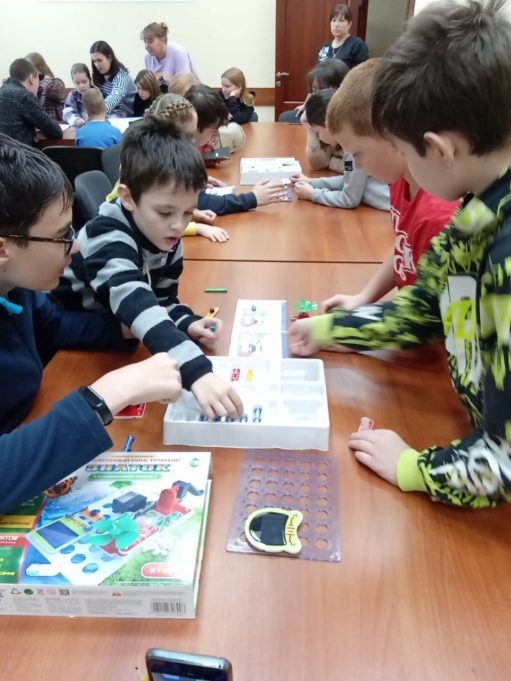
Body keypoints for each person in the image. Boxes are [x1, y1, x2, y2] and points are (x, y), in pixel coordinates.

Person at [288, 0, 511, 509]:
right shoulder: (482, 208)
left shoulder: (503, 251)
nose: (404, 166)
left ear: (440, 148)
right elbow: (427, 306)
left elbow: (502, 463)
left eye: (406, 152)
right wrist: (329, 330)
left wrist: (412, 467)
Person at [0, 134, 183, 514]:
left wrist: (126, 329)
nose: (77, 246)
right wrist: (105, 396)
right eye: (61, 237)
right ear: (4, 248)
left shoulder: (13, 286)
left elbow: (53, 326)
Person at [54, 116, 243, 421]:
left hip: (118, 335)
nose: (178, 225)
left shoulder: (166, 235)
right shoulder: (107, 233)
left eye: (188, 212)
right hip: (68, 341)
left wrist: (186, 322)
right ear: (128, 198)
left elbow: (162, 301)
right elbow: (135, 301)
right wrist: (197, 371)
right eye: (165, 212)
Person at [318, 59, 459, 311]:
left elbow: (429, 315)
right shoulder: (399, 181)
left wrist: (349, 326)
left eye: (357, 154)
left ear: (393, 138)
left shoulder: (437, 215)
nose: (356, 165)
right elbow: (403, 248)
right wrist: (364, 297)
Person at [105, 93, 229, 243]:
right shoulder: (150, 166)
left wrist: (192, 213)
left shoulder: (156, 158)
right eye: (188, 135)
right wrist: (196, 228)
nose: (193, 141)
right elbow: (150, 222)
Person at [185, 85, 285, 215]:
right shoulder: (177, 152)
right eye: (214, 130)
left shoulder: (184, 144)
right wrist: (252, 198)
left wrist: (197, 181)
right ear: (195, 125)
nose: (216, 135)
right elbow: (199, 201)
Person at [291, 87, 389, 211]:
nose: (319, 137)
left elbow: (349, 199)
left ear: (328, 126)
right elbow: (349, 180)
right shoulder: (355, 139)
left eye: (318, 132)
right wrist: (312, 182)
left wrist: (312, 194)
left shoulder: (354, 148)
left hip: (387, 211)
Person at [0, 58, 62, 146]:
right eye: (39, 78)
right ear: (31, 78)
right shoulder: (24, 96)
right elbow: (56, 131)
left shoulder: (2, 91)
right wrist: (35, 134)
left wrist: (33, 133)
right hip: (18, 153)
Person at [90, 40, 136, 117]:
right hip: (111, 111)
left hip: (126, 112)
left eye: (100, 60)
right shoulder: (99, 76)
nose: (97, 65)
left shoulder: (122, 75)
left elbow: (116, 95)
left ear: (110, 58)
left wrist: (99, 110)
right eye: (94, 61)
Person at [318, 4, 368, 68]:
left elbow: (363, 71)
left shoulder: (357, 44)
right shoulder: (325, 47)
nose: (336, 25)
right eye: (334, 20)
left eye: (341, 21)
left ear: (349, 24)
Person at [26, 52, 66, 121]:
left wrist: (43, 81)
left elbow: (58, 86)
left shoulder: (51, 84)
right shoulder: (29, 83)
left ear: (38, 68)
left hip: (52, 123)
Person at [63, 63, 92, 128]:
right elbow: (67, 113)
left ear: (90, 80)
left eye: (84, 82)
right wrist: (76, 120)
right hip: (79, 127)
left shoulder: (97, 93)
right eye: (77, 83)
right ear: (73, 82)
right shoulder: (72, 95)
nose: (81, 86)